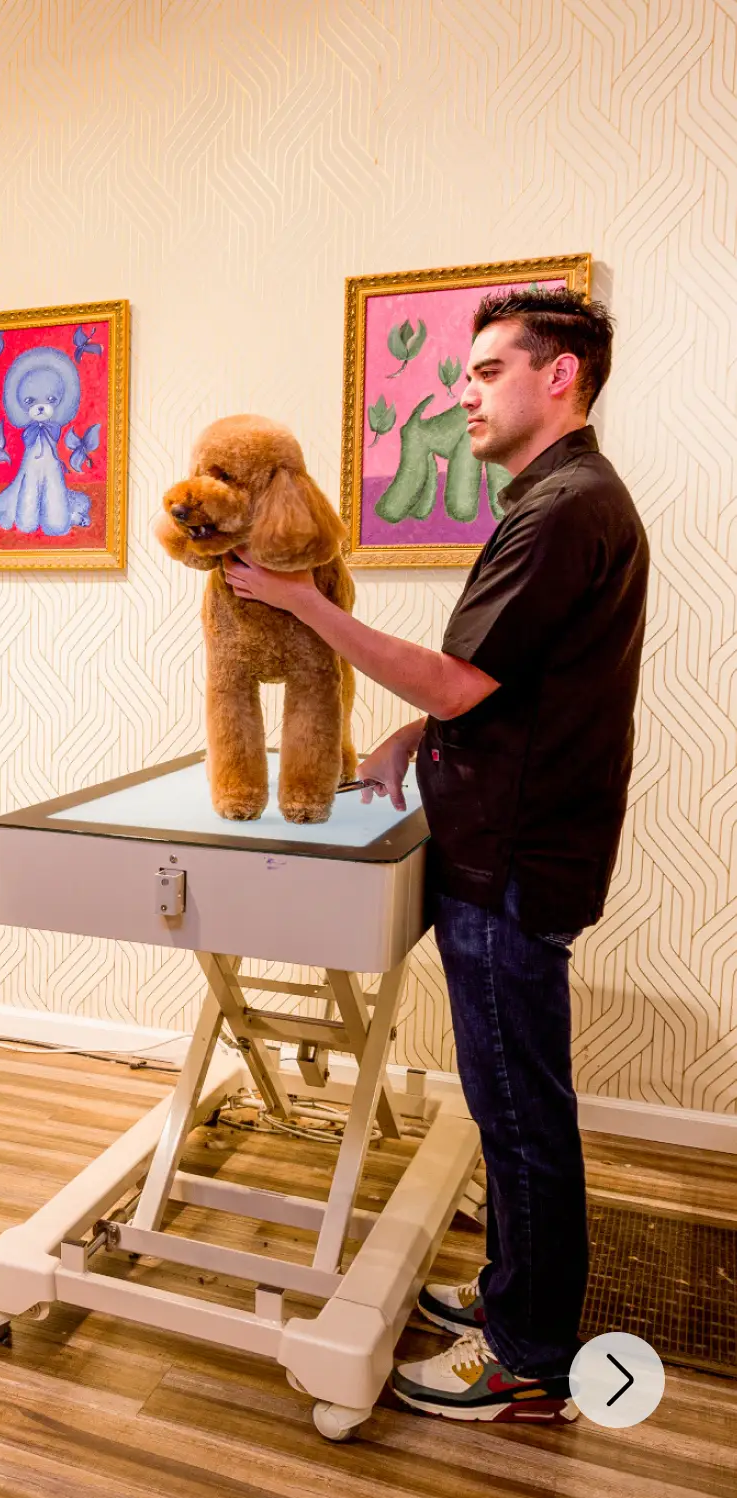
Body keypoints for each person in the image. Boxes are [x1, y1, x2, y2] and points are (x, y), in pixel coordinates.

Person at [223, 288, 647, 1423]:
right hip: (516, 841)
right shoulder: (559, 501)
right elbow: (507, 690)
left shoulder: (564, 509)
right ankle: (514, 1298)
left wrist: (305, 606)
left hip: (512, 863)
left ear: (559, 377)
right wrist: (417, 734)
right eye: (463, 373)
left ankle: (530, 1357)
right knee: (509, 1098)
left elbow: (459, 677)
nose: (463, 391)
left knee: (516, 1109)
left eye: (488, 370)